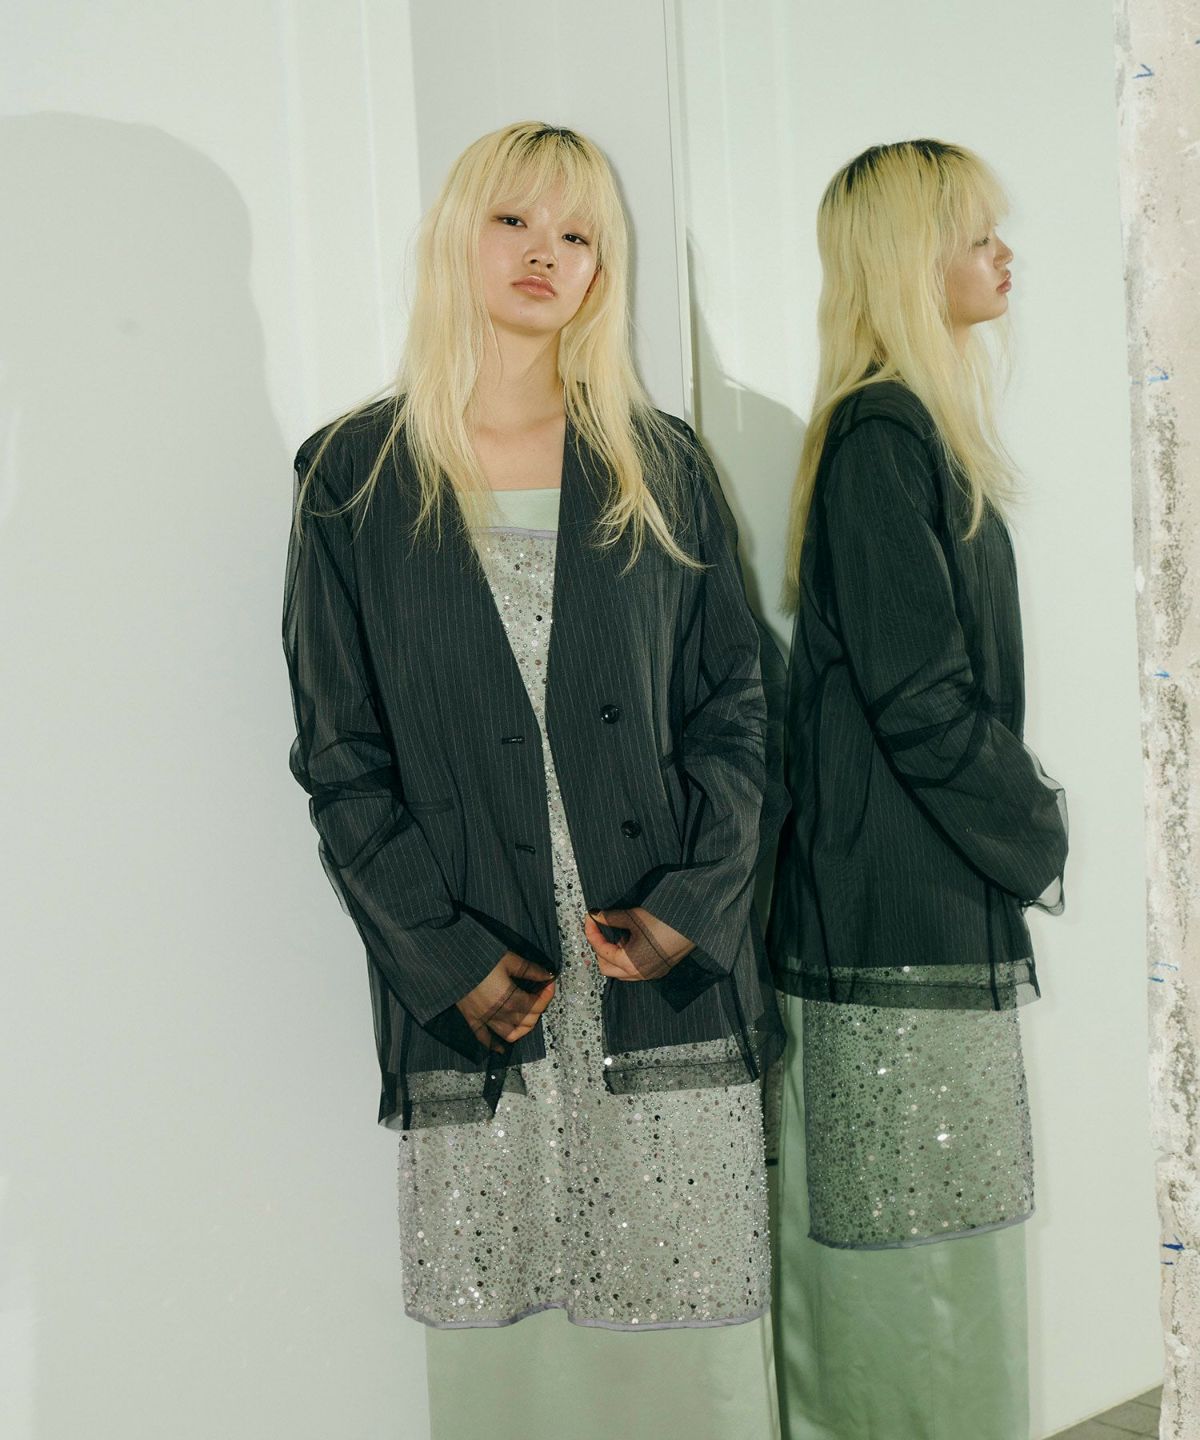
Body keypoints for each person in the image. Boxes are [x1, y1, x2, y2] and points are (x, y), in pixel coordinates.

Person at [283, 121, 784, 1439]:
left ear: (603, 271)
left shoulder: (660, 462)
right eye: (515, 220)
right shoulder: (353, 475)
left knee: (690, 1347)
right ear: (459, 233)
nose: (544, 254)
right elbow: (340, 757)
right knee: (511, 1361)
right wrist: (443, 956)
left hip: (660, 971)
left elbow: (735, 710)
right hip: (480, 978)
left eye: (578, 235)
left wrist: (692, 904)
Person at [767, 139, 1068, 1440]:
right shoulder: (883, 434)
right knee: (905, 1273)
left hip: (913, 903)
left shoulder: (905, 430)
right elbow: (921, 699)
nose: (1004, 256)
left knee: (939, 1256)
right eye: (978, 235)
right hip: (888, 915)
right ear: (910, 259)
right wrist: (1037, 823)